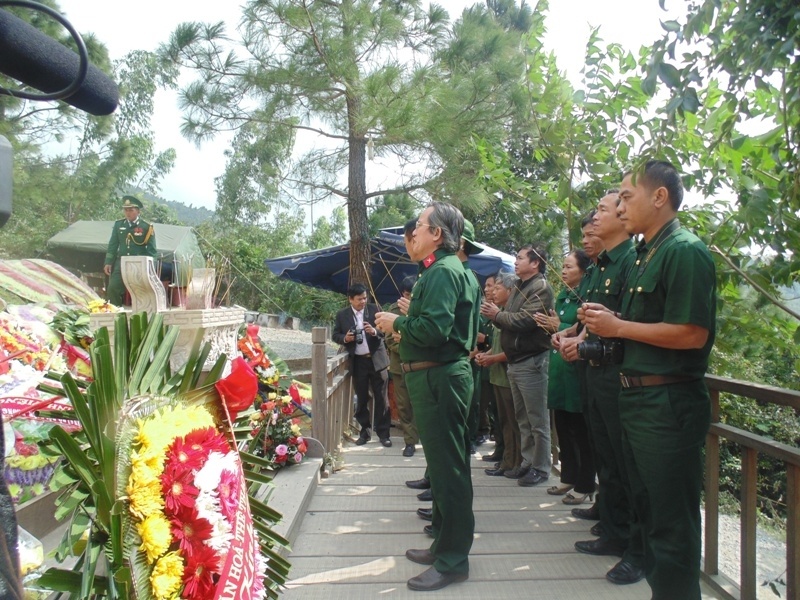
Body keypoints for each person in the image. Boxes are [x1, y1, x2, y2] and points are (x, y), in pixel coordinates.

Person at [580, 160, 716, 600]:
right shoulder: (645, 254)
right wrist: (610, 322)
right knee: (649, 510)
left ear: (659, 197)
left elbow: (692, 334)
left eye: (626, 196)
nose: (619, 207)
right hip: (636, 399)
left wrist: (619, 327)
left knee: (671, 524)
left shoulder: (684, 250)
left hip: (667, 404)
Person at [375, 202, 478, 592]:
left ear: (436, 233)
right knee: (444, 468)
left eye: (419, 225)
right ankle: (443, 547)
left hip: (439, 378)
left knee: (449, 472)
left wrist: (396, 322)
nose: (413, 232)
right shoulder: (443, 269)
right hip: (436, 377)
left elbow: (434, 330)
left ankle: (453, 560)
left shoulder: (442, 272)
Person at [563, 191, 645, 585]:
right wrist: (577, 337)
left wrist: (587, 340)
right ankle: (613, 532)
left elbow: (627, 322)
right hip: (595, 371)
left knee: (626, 464)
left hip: (618, 376)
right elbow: (594, 321)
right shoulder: (602, 264)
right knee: (607, 458)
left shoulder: (632, 260)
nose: (594, 219)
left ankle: (635, 546)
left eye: (601, 211)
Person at [480, 243, 554, 487]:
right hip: (517, 361)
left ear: (535, 262)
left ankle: (540, 467)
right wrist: (497, 316)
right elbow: (509, 321)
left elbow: (525, 320)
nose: (516, 261)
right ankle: (527, 461)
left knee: (537, 419)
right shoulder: (520, 286)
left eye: (521, 258)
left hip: (531, 361)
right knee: (522, 418)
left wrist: (497, 315)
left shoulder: (540, 287)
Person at [534, 249, 596, 505]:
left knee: (581, 430)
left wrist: (558, 327)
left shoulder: (587, 296)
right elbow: (562, 327)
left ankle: (585, 483)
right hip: (559, 367)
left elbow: (581, 328)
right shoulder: (563, 295)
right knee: (563, 426)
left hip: (577, 369)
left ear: (584, 270)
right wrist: (556, 333)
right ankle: (568, 476)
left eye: (569, 267)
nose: (563, 271)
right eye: (563, 266)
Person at [332, 283, 392, 447]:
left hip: (377, 360)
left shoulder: (374, 309)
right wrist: (346, 338)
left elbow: (385, 330)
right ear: (350, 299)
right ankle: (364, 433)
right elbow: (335, 335)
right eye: (359, 299)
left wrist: (374, 331)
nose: (363, 302)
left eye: (365, 298)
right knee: (362, 398)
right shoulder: (342, 315)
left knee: (382, 398)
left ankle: (384, 434)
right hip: (358, 361)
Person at [475, 271, 520, 477]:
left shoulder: (511, 315)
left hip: (507, 376)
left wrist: (492, 358)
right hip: (497, 375)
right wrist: (488, 355)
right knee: (504, 421)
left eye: (497, 287)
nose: (492, 291)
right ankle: (507, 461)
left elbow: (514, 348)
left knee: (513, 423)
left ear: (510, 291)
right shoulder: (501, 313)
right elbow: (498, 343)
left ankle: (515, 463)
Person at [386, 273, 419, 457]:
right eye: (407, 295)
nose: (409, 299)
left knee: (421, 404)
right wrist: (410, 346)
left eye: (413, 295)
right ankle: (410, 441)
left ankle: (422, 436)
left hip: (421, 366)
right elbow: (390, 340)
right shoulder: (393, 311)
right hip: (400, 366)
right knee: (404, 406)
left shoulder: (425, 309)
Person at [104, 195, 157, 306]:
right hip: (121, 262)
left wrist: (151, 268)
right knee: (112, 288)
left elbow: (152, 250)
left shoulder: (146, 227)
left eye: (131, 210)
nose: (128, 213)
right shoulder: (119, 225)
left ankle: (143, 312)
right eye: (126, 210)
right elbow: (113, 245)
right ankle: (117, 312)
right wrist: (108, 262)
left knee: (141, 292)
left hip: (139, 264)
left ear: (138, 211)